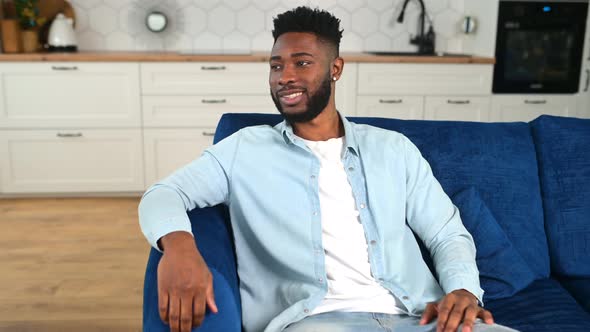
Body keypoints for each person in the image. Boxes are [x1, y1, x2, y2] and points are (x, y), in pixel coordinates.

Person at [139, 6, 517, 332]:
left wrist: (464, 290)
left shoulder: (393, 149)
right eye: (276, 65)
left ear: (335, 68)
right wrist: (180, 248)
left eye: (301, 62)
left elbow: (447, 234)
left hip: (420, 316)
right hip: (318, 320)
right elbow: (163, 194)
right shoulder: (245, 150)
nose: (284, 76)